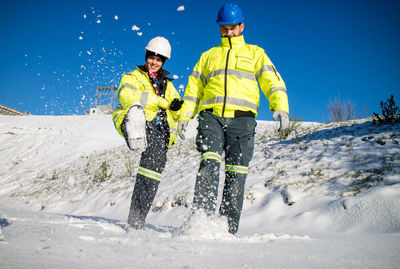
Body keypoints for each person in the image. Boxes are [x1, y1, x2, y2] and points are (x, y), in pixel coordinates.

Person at [177, 3, 289, 234]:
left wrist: (281, 107)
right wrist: (185, 115)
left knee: (236, 174)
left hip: (243, 121)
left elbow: (272, 81)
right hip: (212, 117)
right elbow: (194, 89)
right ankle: (201, 223)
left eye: (232, 28)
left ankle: (226, 230)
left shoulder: (255, 53)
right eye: (224, 28)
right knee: (209, 163)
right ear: (219, 28)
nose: (228, 32)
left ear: (242, 26)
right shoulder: (208, 56)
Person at [112, 36, 183, 229]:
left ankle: (137, 220)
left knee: (151, 174)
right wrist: (159, 101)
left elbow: (177, 109)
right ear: (146, 56)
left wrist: (177, 108)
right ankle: (135, 131)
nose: (154, 62)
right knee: (135, 111)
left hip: (160, 133)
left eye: (159, 60)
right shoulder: (132, 77)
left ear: (163, 62)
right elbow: (126, 96)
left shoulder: (167, 85)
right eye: (152, 57)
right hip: (137, 121)